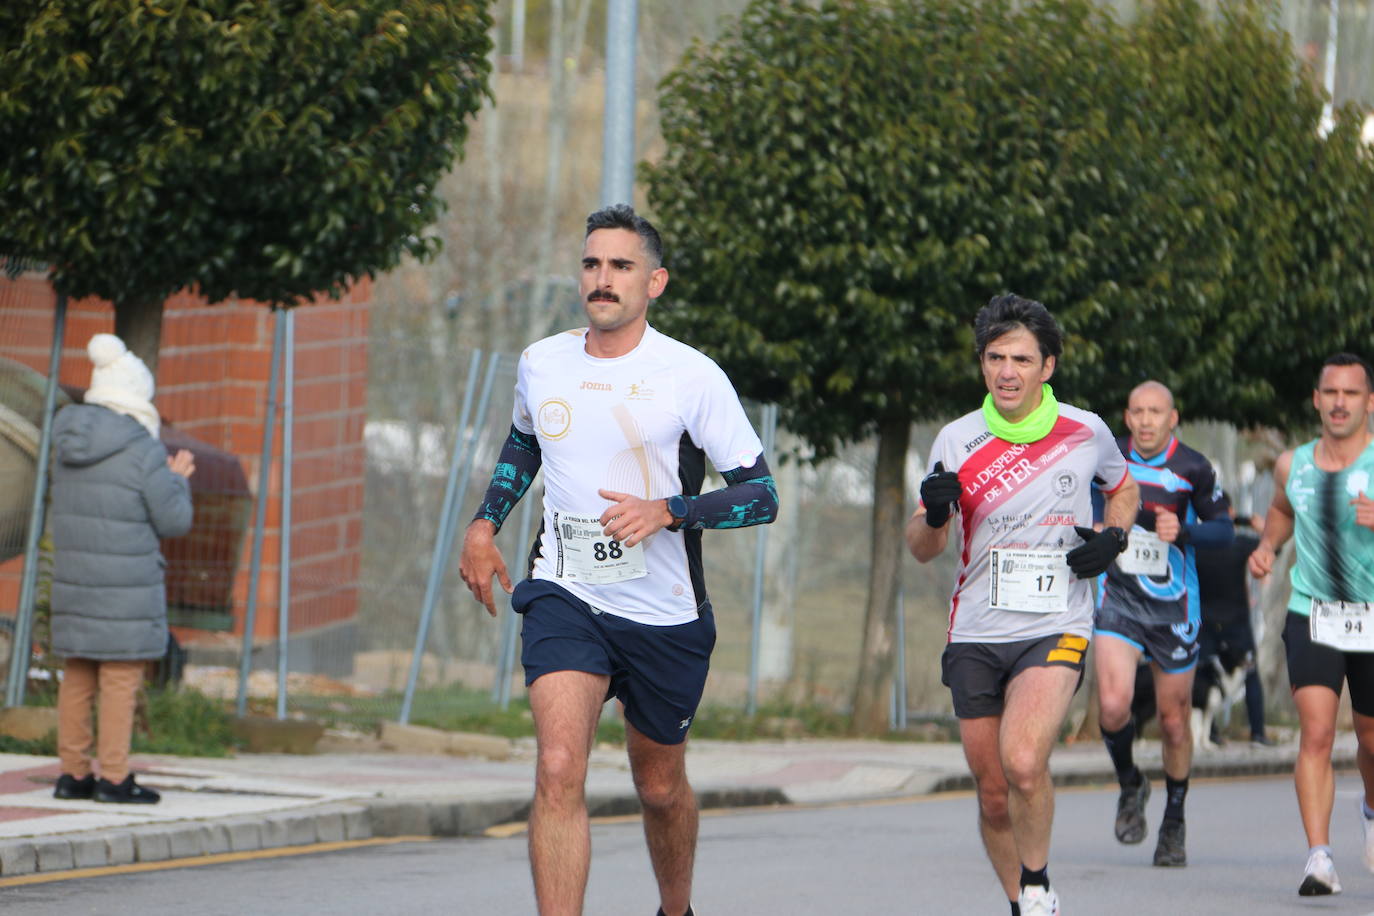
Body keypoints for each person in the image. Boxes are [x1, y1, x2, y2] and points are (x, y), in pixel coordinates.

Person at [458, 204, 777, 916]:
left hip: (663, 611)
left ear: (654, 282)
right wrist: (484, 525)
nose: (602, 280)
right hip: (564, 594)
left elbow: (762, 495)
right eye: (592, 264)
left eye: (621, 267)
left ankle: (676, 910)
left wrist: (671, 510)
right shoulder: (543, 361)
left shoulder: (690, 376)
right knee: (559, 768)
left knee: (659, 787)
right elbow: (524, 444)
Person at [907, 294, 1138, 916]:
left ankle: (1037, 882)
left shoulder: (1085, 431)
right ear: (982, 364)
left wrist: (1114, 537)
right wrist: (932, 512)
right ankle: (1020, 901)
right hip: (976, 630)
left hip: (1057, 622)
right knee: (991, 792)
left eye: (1022, 359)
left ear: (1048, 367)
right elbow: (923, 548)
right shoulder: (957, 439)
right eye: (995, 357)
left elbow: (1123, 487)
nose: (1007, 371)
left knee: (1023, 763)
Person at [49, 333, 194, 805]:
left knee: (77, 674)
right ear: (137, 396)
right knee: (118, 677)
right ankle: (113, 778)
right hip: (126, 585)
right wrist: (178, 481)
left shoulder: (67, 443)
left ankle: (72, 775)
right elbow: (173, 520)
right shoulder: (143, 451)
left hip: (74, 579)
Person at [1248, 352, 1374, 897]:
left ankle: (1370, 807)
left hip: (1372, 616)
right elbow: (1280, 508)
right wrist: (1268, 546)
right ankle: (1319, 857)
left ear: (1369, 403)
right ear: (1317, 400)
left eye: (1351, 393)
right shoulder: (1292, 464)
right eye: (1331, 393)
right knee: (1317, 732)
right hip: (1314, 611)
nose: (1339, 403)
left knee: (1370, 737)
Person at [1092, 381, 1232, 868]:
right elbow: (1089, 508)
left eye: (1156, 412)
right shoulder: (1106, 459)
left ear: (1173, 419)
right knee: (1112, 706)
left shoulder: (1192, 467)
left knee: (1174, 724)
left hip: (1175, 609)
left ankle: (1174, 818)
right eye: (1138, 412)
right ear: (1127, 418)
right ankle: (1130, 782)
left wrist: (1186, 530)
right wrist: (1096, 527)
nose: (1147, 420)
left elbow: (1225, 529)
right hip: (1120, 601)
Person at [1194, 503, 1270, 747]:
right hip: (1236, 622)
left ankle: (1211, 733)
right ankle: (1257, 733)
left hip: (1205, 620)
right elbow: (1271, 547)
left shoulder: (1197, 545)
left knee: (1203, 679)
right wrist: (1259, 526)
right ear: (1230, 514)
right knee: (1250, 673)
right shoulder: (1238, 543)